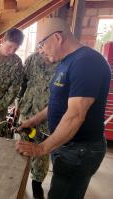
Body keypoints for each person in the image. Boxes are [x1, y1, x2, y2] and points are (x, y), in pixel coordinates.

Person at [16, 18, 111, 199]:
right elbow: (57, 102)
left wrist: (41, 149)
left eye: (42, 44)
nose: (41, 50)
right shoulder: (66, 62)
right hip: (66, 146)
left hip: (80, 151)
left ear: (58, 38)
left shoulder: (86, 62)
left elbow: (75, 115)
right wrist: (33, 120)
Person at [15, 52, 57, 199]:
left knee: (42, 152)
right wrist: (18, 102)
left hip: (48, 116)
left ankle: (36, 184)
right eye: (41, 48)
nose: (44, 52)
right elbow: (23, 82)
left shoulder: (63, 63)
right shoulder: (33, 59)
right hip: (27, 110)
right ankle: (18, 179)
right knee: (22, 147)